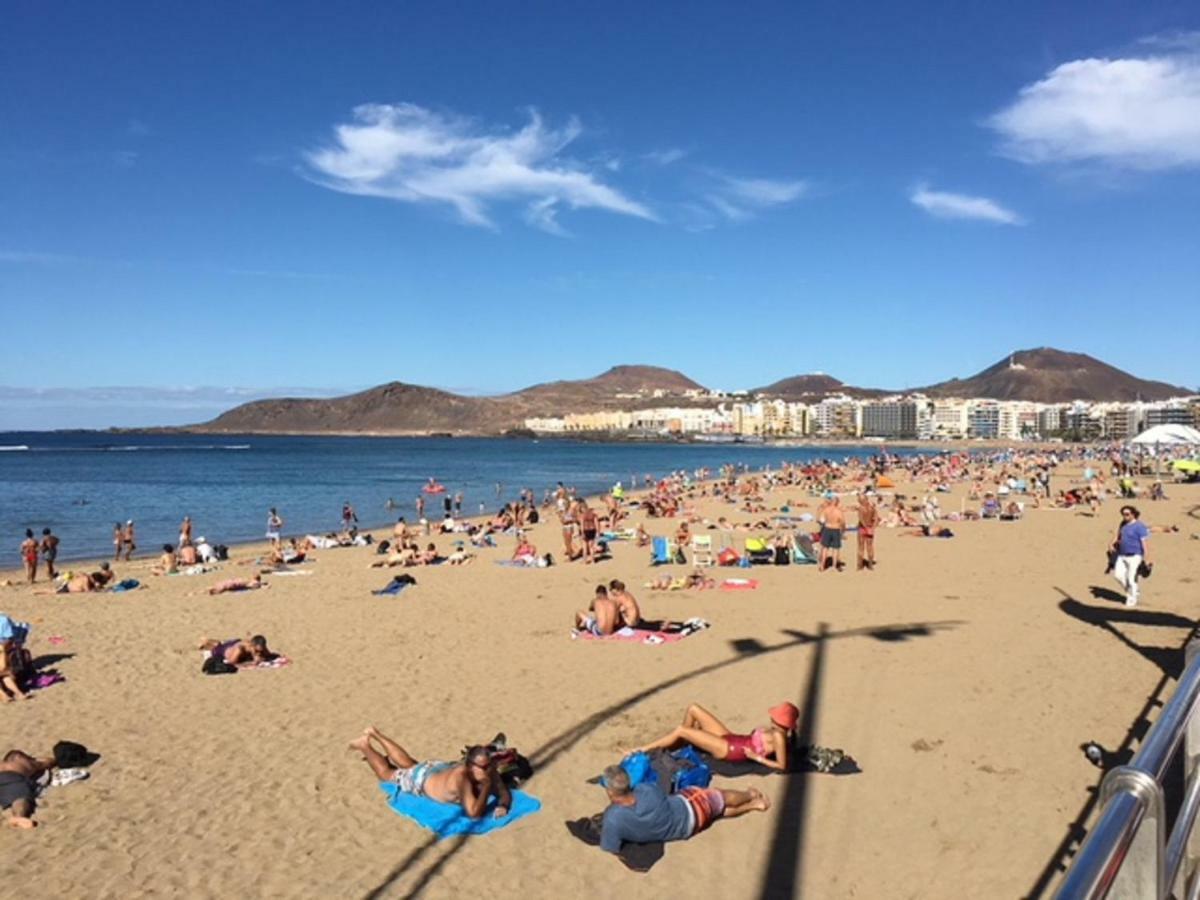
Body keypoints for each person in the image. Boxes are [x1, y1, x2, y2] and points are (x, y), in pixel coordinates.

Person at [598, 765, 768, 857]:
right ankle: (749, 795)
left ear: (610, 791)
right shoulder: (645, 790)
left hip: (685, 830)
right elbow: (664, 796)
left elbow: (611, 848)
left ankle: (752, 805)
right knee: (719, 797)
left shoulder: (612, 819)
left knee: (717, 813)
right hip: (690, 809)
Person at [348, 727, 511, 820]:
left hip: (435, 768)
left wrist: (503, 805)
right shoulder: (462, 779)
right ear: (469, 766)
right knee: (388, 774)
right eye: (481, 767)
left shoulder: (487, 769)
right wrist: (487, 786)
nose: (485, 770)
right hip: (420, 780)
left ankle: (375, 733)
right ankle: (364, 745)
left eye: (487, 766)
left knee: (410, 764)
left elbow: (503, 791)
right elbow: (474, 813)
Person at [628, 702, 799, 770]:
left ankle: (641, 750)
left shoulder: (779, 738)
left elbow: (781, 765)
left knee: (682, 730)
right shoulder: (778, 733)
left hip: (729, 750)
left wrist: (756, 758)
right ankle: (679, 743)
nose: (771, 718)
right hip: (731, 738)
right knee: (693, 708)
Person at [0, 749, 55, 828]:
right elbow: (49, 762)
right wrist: (34, 760)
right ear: (18, 756)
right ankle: (19, 817)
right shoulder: (23, 763)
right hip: (11, 777)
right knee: (21, 796)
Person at [1112, 505, 1151, 608]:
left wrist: (1147, 558)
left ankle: (1131, 599)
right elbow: (1118, 536)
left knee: (1131, 578)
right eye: (1123, 514)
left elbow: (1144, 543)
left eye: (1127, 514)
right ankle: (1134, 590)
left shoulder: (1140, 526)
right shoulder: (1123, 525)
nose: (1125, 516)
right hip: (1122, 554)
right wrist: (1111, 543)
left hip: (1135, 556)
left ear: (1133, 514)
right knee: (1118, 576)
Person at [199, 634, 275, 665]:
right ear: (252, 645)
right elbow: (232, 662)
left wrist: (261, 656)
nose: (259, 653)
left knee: (221, 643)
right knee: (218, 646)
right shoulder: (240, 649)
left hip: (236, 642)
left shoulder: (259, 646)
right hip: (225, 650)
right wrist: (252, 662)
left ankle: (208, 640)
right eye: (257, 650)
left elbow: (268, 654)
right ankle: (206, 641)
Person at [817, 493, 846, 572]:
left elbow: (821, 520)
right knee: (835, 549)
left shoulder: (826, 510)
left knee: (825, 548)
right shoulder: (839, 512)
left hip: (827, 528)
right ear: (837, 503)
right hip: (835, 529)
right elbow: (842, 523)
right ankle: (834, 566)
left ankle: (822, 566)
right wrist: (843, 531)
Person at [856, 491, 877, 571]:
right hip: (870, 527)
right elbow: (876, 518)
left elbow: (861, 519)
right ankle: (870, 565)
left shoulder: (861, 508)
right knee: (870, 547)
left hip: (862, 529)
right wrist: (872, 528)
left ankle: (859, 565)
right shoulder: (872, 508)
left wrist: (865, 528)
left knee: (860, 547)